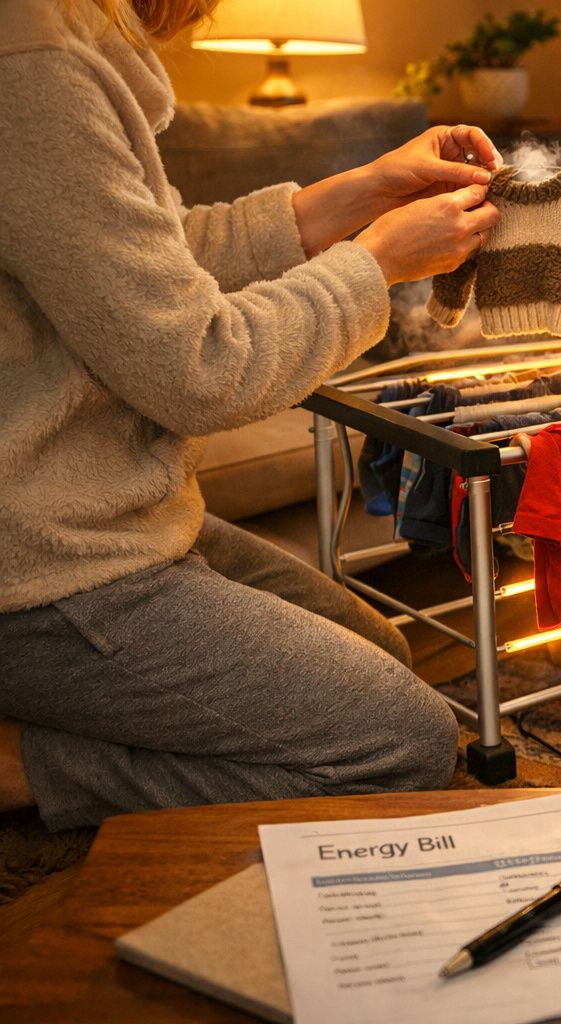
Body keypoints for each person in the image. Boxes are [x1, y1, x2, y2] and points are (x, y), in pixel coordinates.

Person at [0, 0, 504, 830]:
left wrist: (361, 193)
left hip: (117, 515)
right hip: (46, 561)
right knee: (403, 745)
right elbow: (200, 370)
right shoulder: (29, 67)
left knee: (384, 652)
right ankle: (23, 766)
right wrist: (374, 265)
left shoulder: (58, 43)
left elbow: (157, 261)